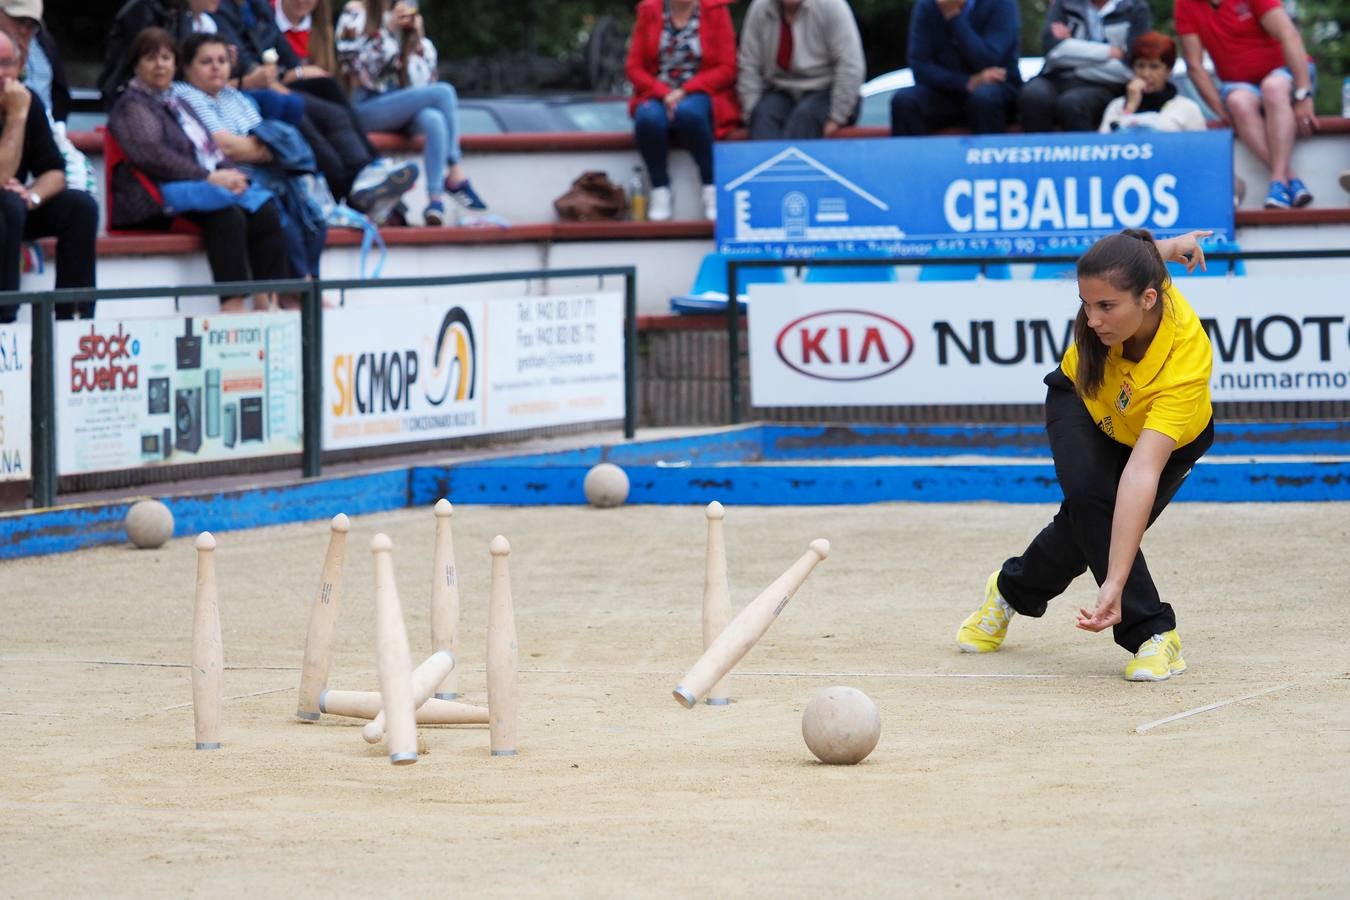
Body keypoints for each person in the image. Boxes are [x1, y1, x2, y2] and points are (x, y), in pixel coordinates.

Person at [957, 228, 1216, 682]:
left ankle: (1008, 590)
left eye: (1106, 307)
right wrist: (1172, 246)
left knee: (1092, 526)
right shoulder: (1134, 280)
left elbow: (1141, 472)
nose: (1092, 320)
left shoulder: (1186, 362)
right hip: (1081, 399)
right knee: (1092, 500)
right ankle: (1154, 634)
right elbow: (1138, 259)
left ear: (1149, 299)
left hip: (1165, 442)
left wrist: (1113, 582)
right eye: (1086, 304)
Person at [107, 27, 289, 312]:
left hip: (192, 188)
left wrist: (231, 175)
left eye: (166, 57)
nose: (160, 65)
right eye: (151, 58)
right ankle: (233, 305)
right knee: (227, 216)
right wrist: (208, 177)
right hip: (149, 198)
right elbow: (152, 156)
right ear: (136, 64)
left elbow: (211, 149)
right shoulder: (132, 105)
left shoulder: (177, 102)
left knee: (264, 210)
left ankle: (267, 302)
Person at [213, 0, 416, 215]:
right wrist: (281, 79)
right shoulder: (220, 11)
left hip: (272, 83)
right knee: (299, 109)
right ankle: (353, 189)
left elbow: (286, 57)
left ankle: (371, 167)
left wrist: (294, 73)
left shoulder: (258, 7)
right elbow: (245, 66)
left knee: (326, 86)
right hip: (245, 92)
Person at [173, 32, 326, 281]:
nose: (216, 68)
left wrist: (266, 147)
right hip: (229, 176)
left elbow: (263, 136)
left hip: (265, 173)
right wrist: (270, 149)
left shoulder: (233, 95)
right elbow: (226, 146)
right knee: (277, 214)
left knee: (311, 212)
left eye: (222, 61)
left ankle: (309, 283)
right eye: (206, 62)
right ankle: (298, 287)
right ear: (187, 67)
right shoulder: (184, 95)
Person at [336, 0, 486, 226]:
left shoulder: (403, 15)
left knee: (434, 120)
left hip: (398, 104)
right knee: (444, 92)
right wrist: (388, 28)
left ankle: (435, 202)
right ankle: (455, 171)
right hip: (364, 106)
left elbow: (423, 82)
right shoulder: (355, 12)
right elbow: (356, 67)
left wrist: (417, 40)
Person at [1175, 0, 1318, 209]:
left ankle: (1278, 180)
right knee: (1237, 101)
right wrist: (1223, 112)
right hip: (1241, 85)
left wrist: (1303, 93)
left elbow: (1288, 34)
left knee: (1274, 88)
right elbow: (1194, 65)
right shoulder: (1185, 4)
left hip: (1284, 72)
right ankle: (1290, 180)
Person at [0, 26, 97, 322]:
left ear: (20, 65)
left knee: (80, 207)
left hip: (13, 209)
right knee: (7, 204)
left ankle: (74, 318)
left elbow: (55, 172)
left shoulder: (28, 99)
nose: (2, 73)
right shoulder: (20, 106)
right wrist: (16, 117)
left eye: (6, 64)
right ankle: (6, 318)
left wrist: (33, 195)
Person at [624, 0, 741, 222]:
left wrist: (685, 90)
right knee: (647, 118)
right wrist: (663, 92)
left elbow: (727, 67)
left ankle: (710, 186)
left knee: (690, 114)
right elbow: (633, 67)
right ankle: (660, 189)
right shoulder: (649, 11)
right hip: (657, 91)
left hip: (703, 90)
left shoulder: (715, 10)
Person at [889, 0, 1022, 136]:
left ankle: (988, 154)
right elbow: (920, 66)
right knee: (904, 101)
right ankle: (913, 156)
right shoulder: (927, 5)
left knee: (984, 98)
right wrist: (966, 82)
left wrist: (954, 16)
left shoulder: (1001, 3)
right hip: (947, 93)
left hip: (996, 93)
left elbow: (988, 60)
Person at [737, 0, 865, 141]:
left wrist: (836, 118)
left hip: (827, 90)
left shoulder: (832, 6)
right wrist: (752, 113)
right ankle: (762, 161)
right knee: (763, 116)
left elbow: (850, 65)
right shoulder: (759, 9)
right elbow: (748, 66)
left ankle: (791, 162)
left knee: (805, 117)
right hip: (780, 91)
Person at [1019, 0, 1151, 133]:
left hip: (1106, 84)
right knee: (1033, 94)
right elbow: (1053, 51)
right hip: (1056, 77)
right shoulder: (1064, 4)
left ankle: (1082, 151)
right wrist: (1108, 52)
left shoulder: (1135, 8)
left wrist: (1072, 57)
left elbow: (1129, 66)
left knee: (1073, 103)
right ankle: (1039, 150)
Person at [100, 0, 221, 108]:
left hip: (172, 92)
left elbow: (183, 57)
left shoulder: (183, 10)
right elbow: (143, 60)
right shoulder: (140, 9)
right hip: (130, 93)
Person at [1098, 32, 1204, 132]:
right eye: (1140, 66)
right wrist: (1130, 108)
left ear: (1168, 70)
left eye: (1154, 67)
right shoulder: (1117, 106)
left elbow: (1200, 147)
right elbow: (1106, 146)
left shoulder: (1187, 108)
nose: (1146, 74)